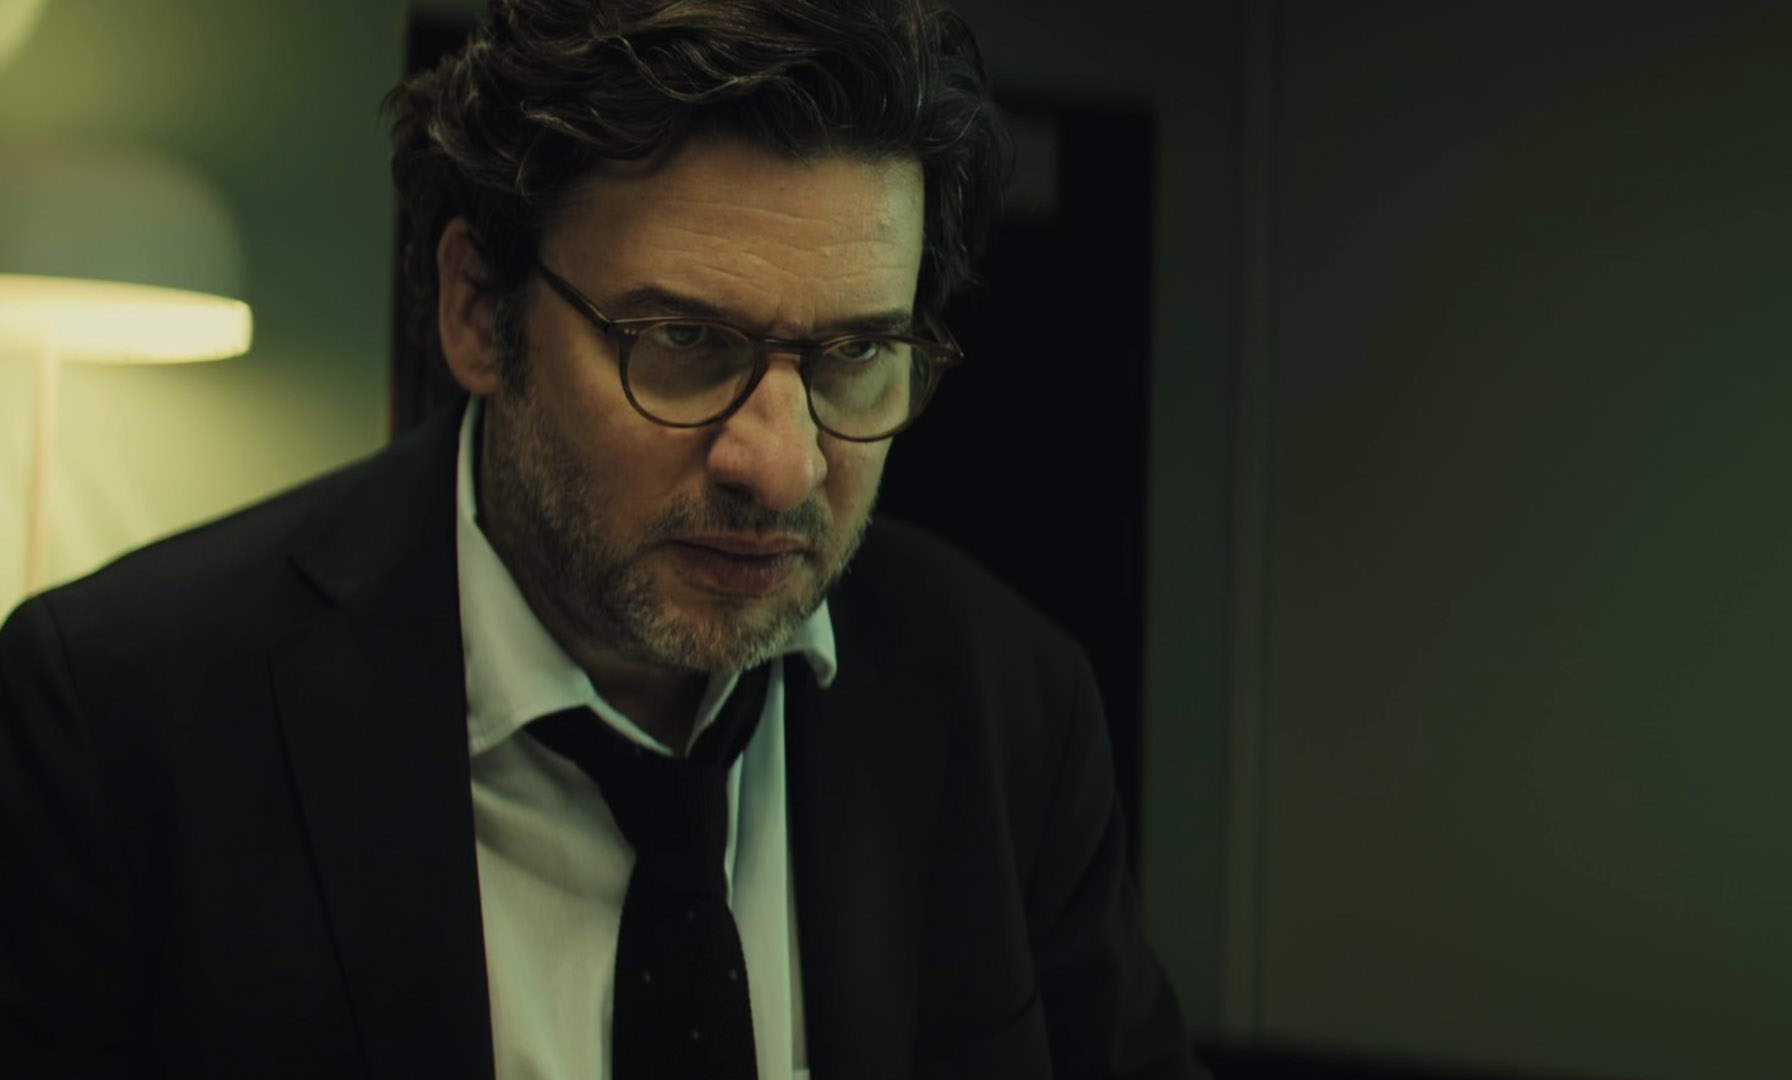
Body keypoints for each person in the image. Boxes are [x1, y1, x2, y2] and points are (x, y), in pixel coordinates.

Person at [0, 0, 1208, 1077]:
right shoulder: (119, 719)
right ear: (478, 310)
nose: (781, 466)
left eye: (854, 355)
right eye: (681, 342)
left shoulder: (1011, 707)